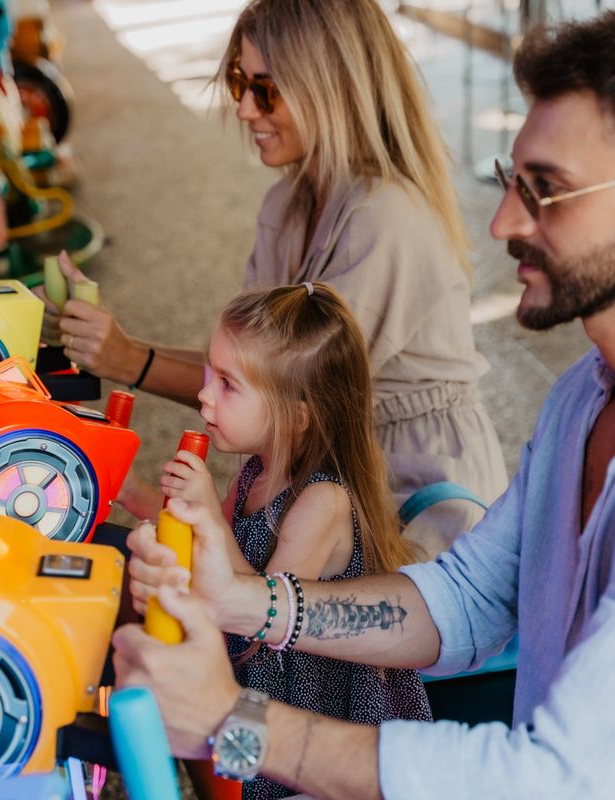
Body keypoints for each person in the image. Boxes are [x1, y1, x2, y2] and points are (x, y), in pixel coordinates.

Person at [113, 11, 615, 798]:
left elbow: (547, 778)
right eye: (510, 181)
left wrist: (228, 720)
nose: (501, 223)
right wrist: (239, 597)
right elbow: (472, 597)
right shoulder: (578, 399)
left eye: (546, 190)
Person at [41, 0, 507, 557]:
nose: (243, 109)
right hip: (334, 471)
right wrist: (118, 349)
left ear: (332, 88)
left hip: (418, 493)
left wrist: (126, 359)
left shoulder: (387, 217)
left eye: (266, 89)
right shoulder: (288, 202)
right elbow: (253, 368)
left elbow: (281, 393)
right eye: (240, 82)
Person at [131, 282, 432, 799]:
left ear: (297, 414)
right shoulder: (256, 471)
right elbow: (208, 552)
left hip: (305, 710)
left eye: (228, 384)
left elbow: (263, 621)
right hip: (251, 684)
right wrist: (126, 493)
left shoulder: (322, 503)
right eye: (211, 372)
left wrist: (207, 513)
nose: (204, 394)